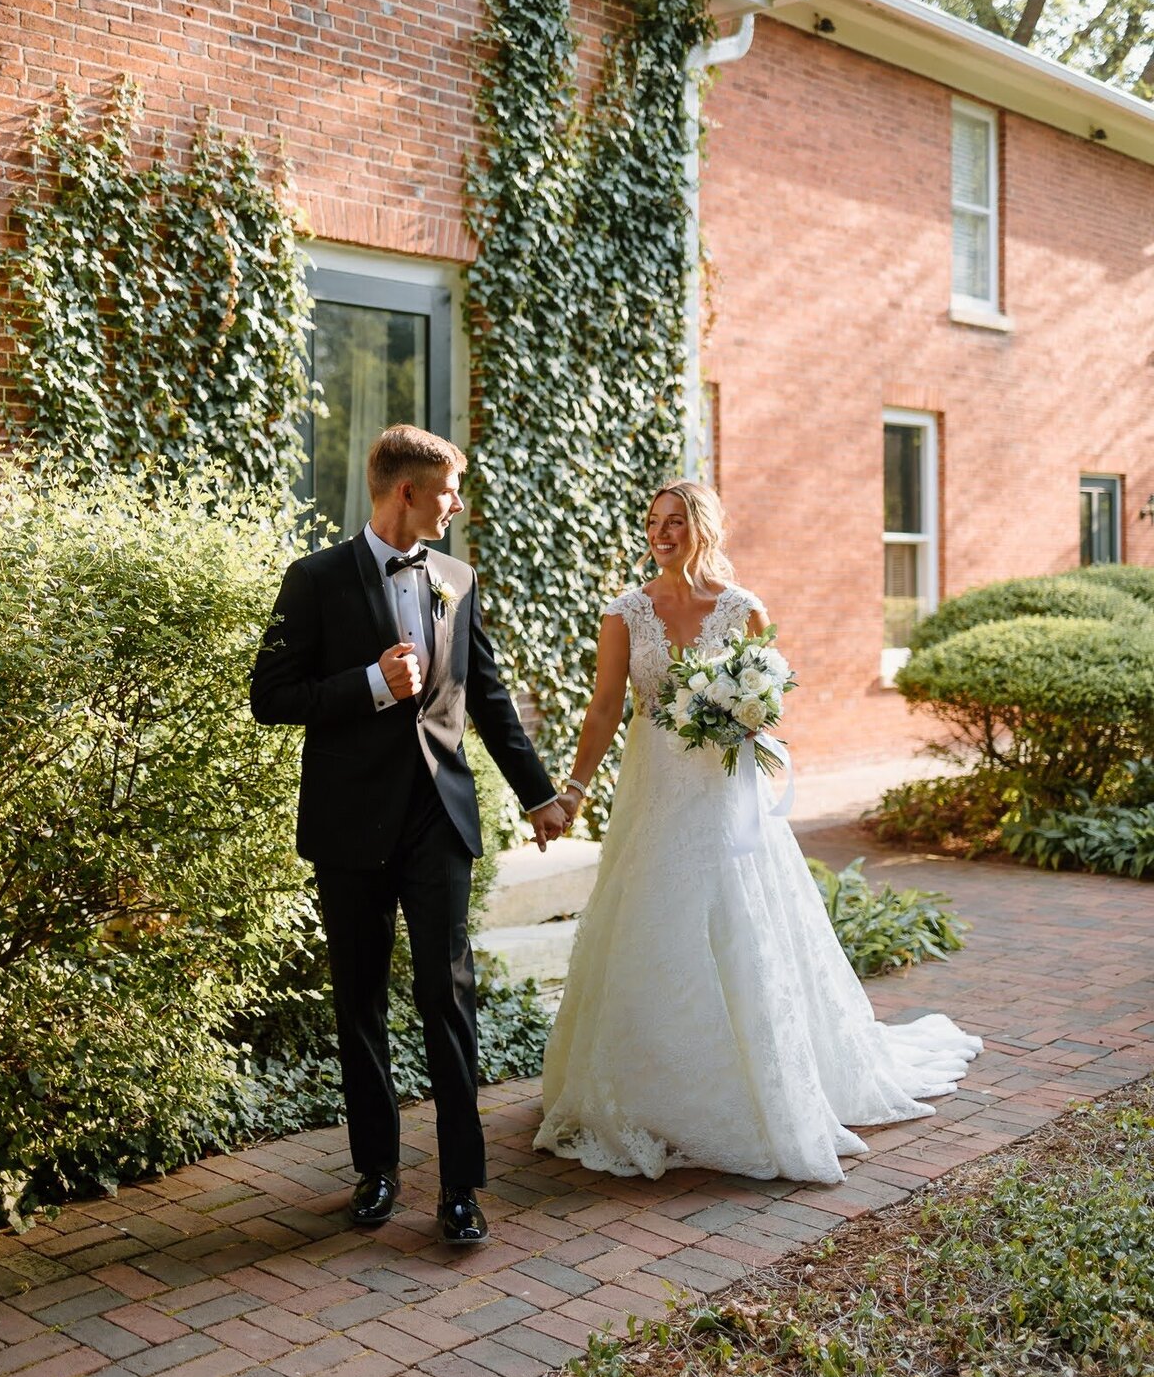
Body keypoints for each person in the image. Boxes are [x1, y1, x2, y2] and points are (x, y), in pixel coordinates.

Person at [535, 480, 981, 1185]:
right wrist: (574, 791)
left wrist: (739, 713)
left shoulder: (744, 612)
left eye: (676, 521)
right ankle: (648, 1090)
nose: (662, 532)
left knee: (739, 921)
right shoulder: (624, 614)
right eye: (653, 521)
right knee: (650, 925)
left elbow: (768, 706)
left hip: (724, 792)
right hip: (653, 794)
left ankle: (754, 1083)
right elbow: (604, 708)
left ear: (703, 526)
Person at [251, 424, 565, 1244]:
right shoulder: (313, 579)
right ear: (407, 493)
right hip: (349, 824)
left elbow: (487, 697)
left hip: (437, 820)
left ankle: (461, 1187)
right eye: (450, 490)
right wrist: (370, 684)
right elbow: (270, 695)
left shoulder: (455, 577)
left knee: (446, 997)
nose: (458, 505)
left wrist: (538, 796)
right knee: (359, 1002)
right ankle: (376, 1170)